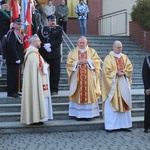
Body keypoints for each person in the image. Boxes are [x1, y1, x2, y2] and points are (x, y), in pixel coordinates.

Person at [66, 36, 101, 120]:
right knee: (78, 94)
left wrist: (88, 61)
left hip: (89, 79)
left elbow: (97, 61)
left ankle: (89, 115)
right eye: (80, 43)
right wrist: (77, 62)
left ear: (86, 43)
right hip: (77, 79)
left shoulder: (92, 51)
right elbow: (69, 63)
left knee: (89, 94)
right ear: (77, 43)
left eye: (83, 43)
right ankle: (78, 114)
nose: (81, 44)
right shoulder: (73, 52)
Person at [21, 34, 53, 125]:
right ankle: (34, 118)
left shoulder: (34, 53)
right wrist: (46, 66)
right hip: (36, 82)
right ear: (34, 42)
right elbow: (39, 67)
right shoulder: (32, 54)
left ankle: (36, 117)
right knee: (35, 95)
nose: (40, 42)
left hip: (38, 80)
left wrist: (45, 66)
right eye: (39, 41)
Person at [102, 40, 133, 132]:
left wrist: (123, 72)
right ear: (113, 47)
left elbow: (130, 68)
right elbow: (106, 72)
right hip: (113, 86)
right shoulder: (108, 58)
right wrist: (115, 73)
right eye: (118, 47)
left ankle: (125, 125)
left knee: (125, 102)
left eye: (121, 47)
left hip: (123, 84)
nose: (120, 49)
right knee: (111, 105)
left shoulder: (125, 57)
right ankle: (111, 126)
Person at [38, 14, 63, 95]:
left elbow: (59, 40)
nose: (53, 22)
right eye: (51, 21)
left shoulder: (58, 29)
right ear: (48, 21)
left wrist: (50, 45)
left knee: (55, 72)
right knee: (45, 71)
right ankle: (45, 87)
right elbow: (39, 38)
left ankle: (54, 89)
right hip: (45, 54)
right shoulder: (43, 29)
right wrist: (44, 45)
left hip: (55, 54)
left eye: (54, 21)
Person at [6, 18, 24, 98]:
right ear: (13, 24)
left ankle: (15, 90)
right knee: (12, 76)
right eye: (17, 24)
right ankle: (11, 91)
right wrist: (16, 57)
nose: (19, 25)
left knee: (16, 75)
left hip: (17, 58)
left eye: (20, 24)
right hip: (12, 59)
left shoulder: (18, 33)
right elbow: (12, 47)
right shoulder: (12, 33)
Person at [142, 56, 150, 133]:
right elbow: (145, 74)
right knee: (148, 107)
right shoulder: (147, 59)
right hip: (149, 88)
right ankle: (147, 126)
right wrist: (147, 88)